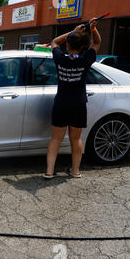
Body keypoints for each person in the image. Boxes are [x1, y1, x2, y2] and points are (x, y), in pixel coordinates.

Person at [44, 18, 101, 179]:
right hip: (78, 104)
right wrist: (93, 28)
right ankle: (75, 171)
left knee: (55, 139)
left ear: (68, 44)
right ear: (83, 46)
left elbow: (54, 41)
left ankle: (49, 171)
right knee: (76, 139)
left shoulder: (60, 58)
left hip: (61, 103)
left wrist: (74, 31)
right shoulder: (85, 60)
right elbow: (97, 43)